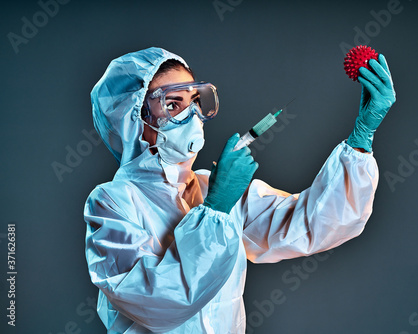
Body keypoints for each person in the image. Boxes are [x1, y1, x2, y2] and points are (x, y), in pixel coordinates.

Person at [84, 47, 396, 333]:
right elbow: (163, 301)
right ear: (132, 119)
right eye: (173, 104)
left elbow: (311, 224)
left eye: (195, 101)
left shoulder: (211, 186)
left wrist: (361, 138)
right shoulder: (111, 203)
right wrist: (216, 210)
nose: (192, 115)